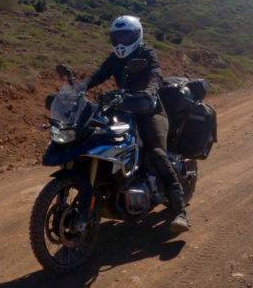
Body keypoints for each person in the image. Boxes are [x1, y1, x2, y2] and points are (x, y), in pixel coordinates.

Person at [79, 15, 190, 233]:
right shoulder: (114, 59)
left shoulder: (146, 53)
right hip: (122, 109)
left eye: (126, 36)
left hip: (150, 108)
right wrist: (79, 88)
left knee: (157, 152)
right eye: (117, 36)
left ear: (137, 36)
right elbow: (97, 76)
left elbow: (156, 75)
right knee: (101, 141)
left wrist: (149, 92)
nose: (122, 40)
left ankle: (179, 212)